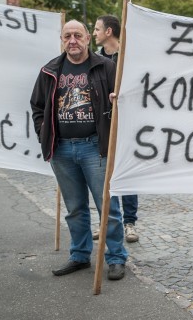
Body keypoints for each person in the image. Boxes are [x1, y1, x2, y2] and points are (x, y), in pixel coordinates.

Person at [30, 20, 128, 280]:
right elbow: (37, 106)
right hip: (61, 149)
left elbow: (123, 99)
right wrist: (44, 133)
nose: (72, 40)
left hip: (95, 148)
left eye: (77, 35)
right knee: (75, 207)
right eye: (67, 36)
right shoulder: (50, 70)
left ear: (87, 38)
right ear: (62, 39)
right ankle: (80, 255)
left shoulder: (105, 66)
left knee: (107, 206)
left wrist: (117, 100)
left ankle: (116, 257)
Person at [91, 14, 140, 243]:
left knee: (126, 172)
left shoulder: (130, 55)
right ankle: (109, 222)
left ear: (109, 31)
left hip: (128, 123)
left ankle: (129, 223)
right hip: (104, 124)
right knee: (106, 175)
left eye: (97, 29)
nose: (94, 33)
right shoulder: (96, 59)